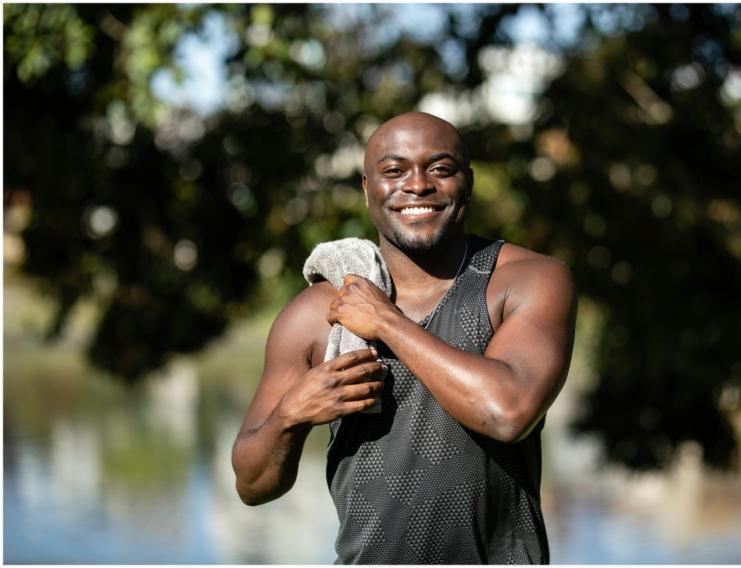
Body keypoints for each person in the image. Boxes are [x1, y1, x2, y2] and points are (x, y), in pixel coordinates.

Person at [231, 111, 577, 564]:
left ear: (466, 182)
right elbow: (251, 486)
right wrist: (290, 416)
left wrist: (386, 322)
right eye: (394, 171)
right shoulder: (319, 311)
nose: (417, 186)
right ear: (366, 188)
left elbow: (506, 412)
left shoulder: (526, 280)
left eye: (440, 169)